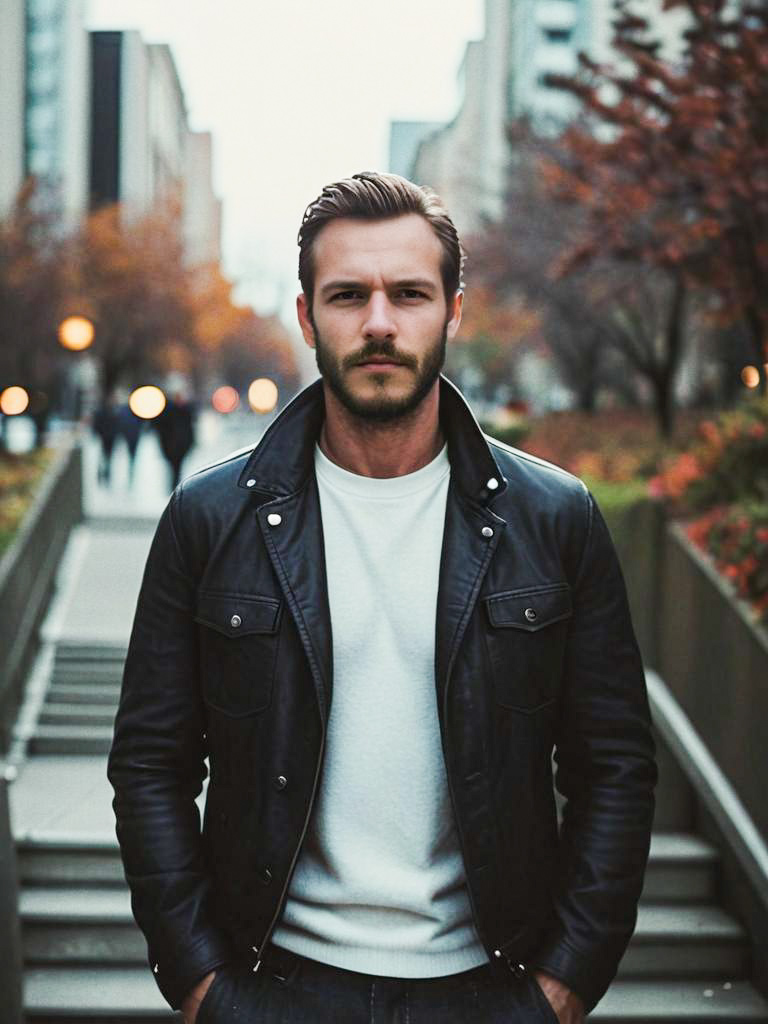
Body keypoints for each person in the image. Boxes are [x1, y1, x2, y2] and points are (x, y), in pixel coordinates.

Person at [108, 172, 656, 1024]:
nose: (378, 323)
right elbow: (150, 765)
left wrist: (564, 986)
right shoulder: (209, 521)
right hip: (270, 985)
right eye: (346, 295)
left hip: (493, 988)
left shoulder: (554, 519)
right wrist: (201, 986)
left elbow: (614, 766)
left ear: (454, 311)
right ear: (305, 316)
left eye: (408, 294)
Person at [153, 389, 196, 490]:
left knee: (177, 467)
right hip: (171, 446)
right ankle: (174, 485)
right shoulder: (167, 411)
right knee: (174, 467)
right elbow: (160, 427)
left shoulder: (186, 411)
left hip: (182, 445)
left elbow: (190, 429)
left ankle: (175, 485)